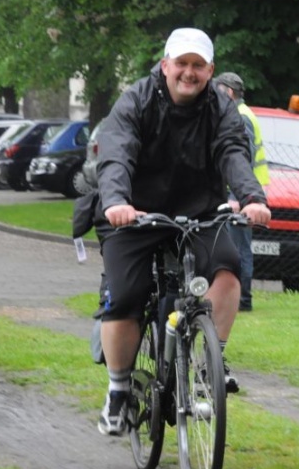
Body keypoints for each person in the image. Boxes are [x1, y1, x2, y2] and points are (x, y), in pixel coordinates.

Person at [94, 27, 271, 435]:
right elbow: (117, 151)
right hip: (135, 213)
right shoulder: (135, 100)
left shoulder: (221, 108)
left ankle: (211, 363)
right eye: (181, 63)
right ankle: (118, 391)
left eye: (198, 65)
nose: (189, 72)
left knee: (227, 269)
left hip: (198, 212)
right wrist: (117, 201)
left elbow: (233, 152)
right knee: (124, 295)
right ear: (165, 65)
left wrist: (251, 197)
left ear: (210, 70)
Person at [214, 72, 270, 312]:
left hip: (243, 198)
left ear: (228, 92)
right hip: (244, 197)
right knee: (236, 247)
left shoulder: (240, 116)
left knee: (239, 249)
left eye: (217, 90)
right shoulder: (241, 113)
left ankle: (243, 300)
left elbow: (242, 159)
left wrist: (237, 198)